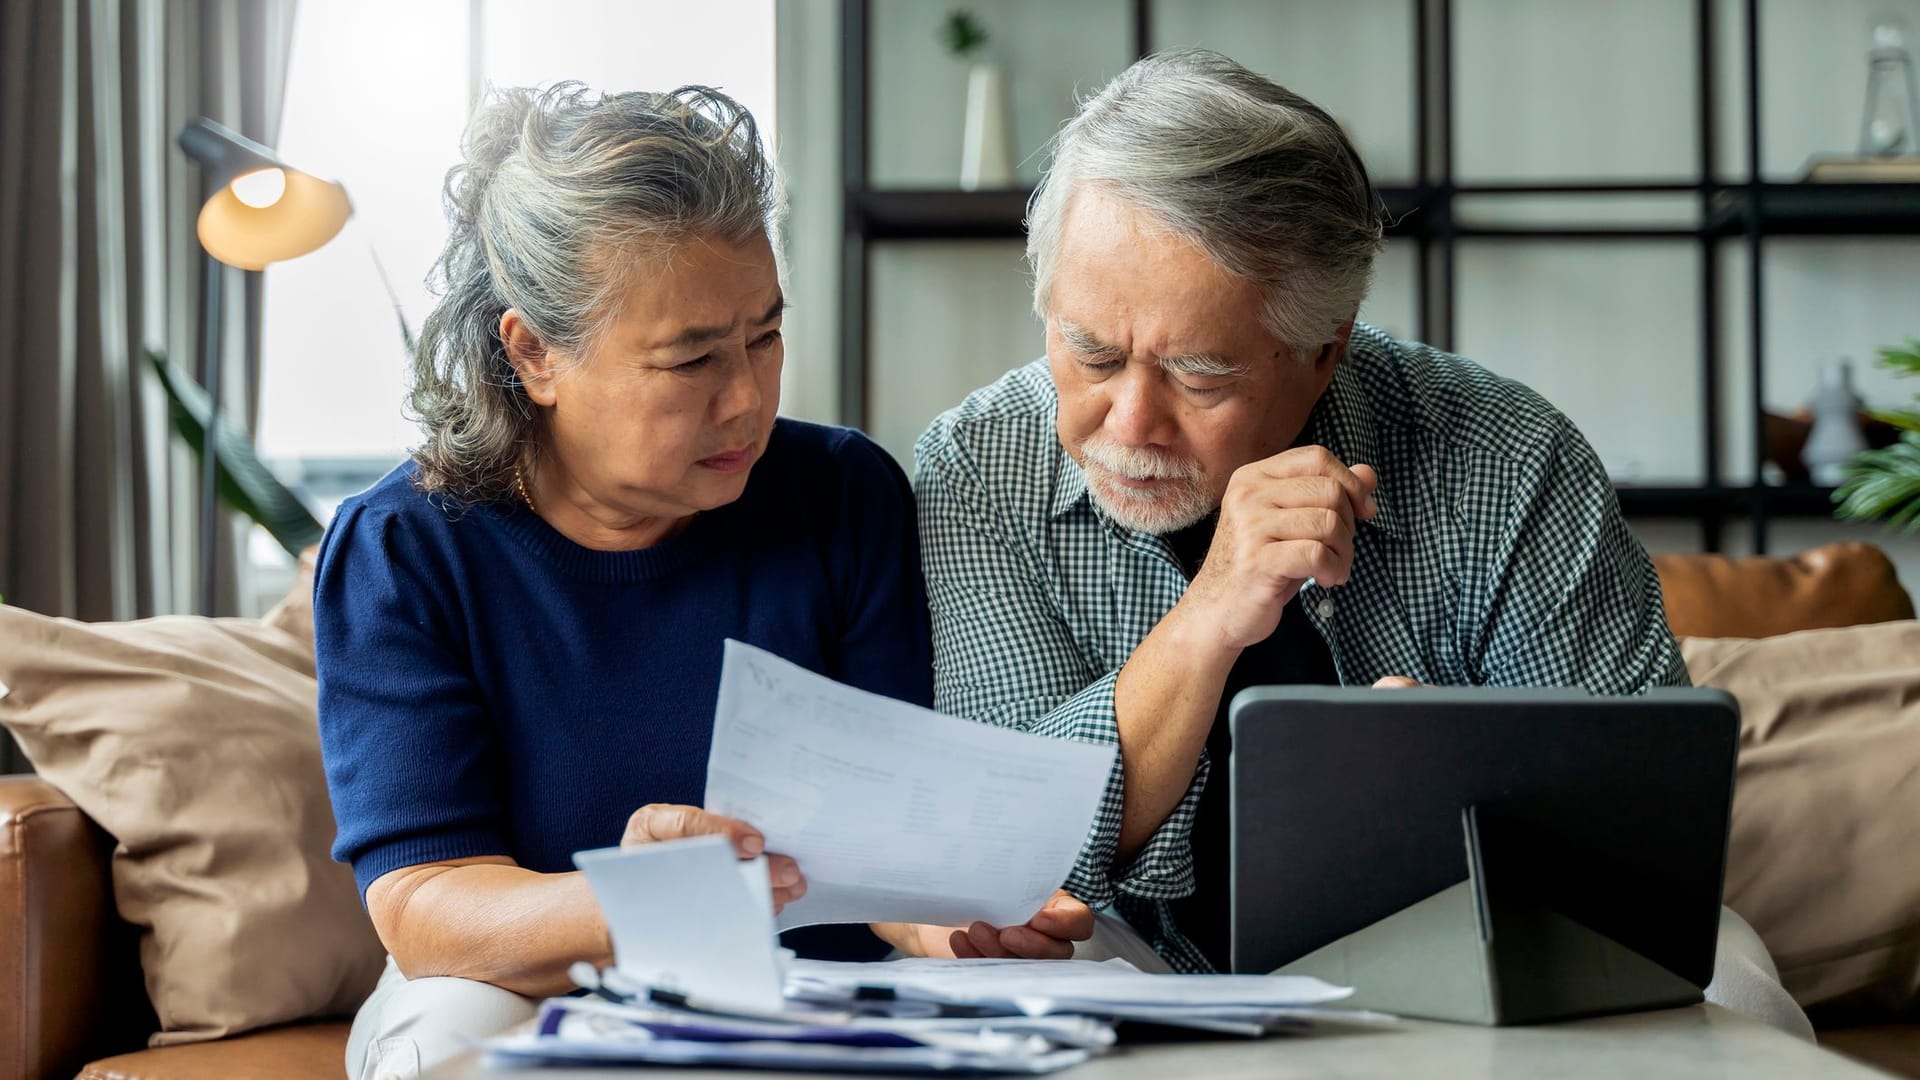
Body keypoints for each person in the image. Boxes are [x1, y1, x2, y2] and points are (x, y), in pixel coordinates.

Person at [912, 50, 1813, 1037]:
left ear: (1326, 347)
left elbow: (1645, 831)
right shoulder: (977, 469)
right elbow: (996, 845)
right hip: (1128, 949)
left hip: (1471, 935)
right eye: (1090, 353)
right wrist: (1212, 613)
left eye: (1199, 376)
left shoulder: (1509, 459)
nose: (1130, 424)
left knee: (1734, 987)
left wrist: (1458, 783)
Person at [315, 83, 1087, 1080]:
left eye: (765, 337)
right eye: (691, 361)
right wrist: (640, 900)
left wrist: (945, 924)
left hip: (816, 992)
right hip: (525, 993)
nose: (750, 399)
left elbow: (876, 852)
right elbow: (425, 913)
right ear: (536, 352)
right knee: (448, 1035)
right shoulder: (409, 549)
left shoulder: (842, 495)